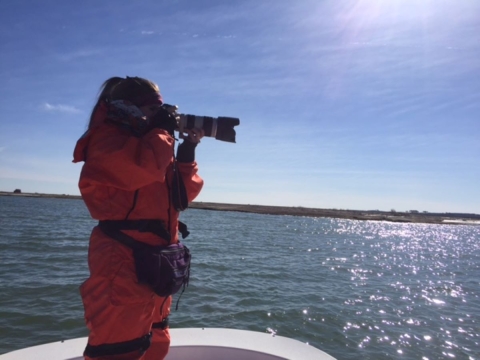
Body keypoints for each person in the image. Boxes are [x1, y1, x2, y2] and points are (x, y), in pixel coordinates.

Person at [73, 76, 204, 360]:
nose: (160, 113)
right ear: (128, 105)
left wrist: (186, 152)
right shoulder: (107, 139)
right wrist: (161, 132)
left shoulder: (152, 143)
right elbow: (140, 170)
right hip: (122, 261)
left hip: (160, 260)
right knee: (117, 349)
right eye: (155, 107)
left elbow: (182, 196)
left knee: (156, 337)